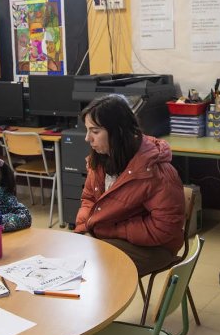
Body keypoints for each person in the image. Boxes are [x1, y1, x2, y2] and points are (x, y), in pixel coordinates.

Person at [74, 94, 185, 276]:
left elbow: (164, 228)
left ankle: (103, 303)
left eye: (95, 132)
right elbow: (88, 199)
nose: (87, 138)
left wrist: (110, 229)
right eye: (87, 130)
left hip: (154, 247)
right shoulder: (101, 160)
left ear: (118, 131)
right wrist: (83, 230)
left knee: (92, 270)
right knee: (69, 259)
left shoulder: (155, 171)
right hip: (107, 236)